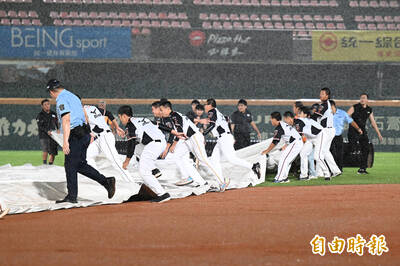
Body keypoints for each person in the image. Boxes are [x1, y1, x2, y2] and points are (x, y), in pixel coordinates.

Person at [46, 79, 116, 204]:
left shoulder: (61, 99)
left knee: (70, 165)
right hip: (84, 133)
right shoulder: (73, 96)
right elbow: (84, 115)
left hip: (75, 135)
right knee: (79, 164)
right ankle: (106, 181)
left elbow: (66, 120)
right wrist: (88, 132)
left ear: (52, 92)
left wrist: (65, 141)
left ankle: (72, 196)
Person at [118, 105, 184, 202]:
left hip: (154, 145)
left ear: (124, 116)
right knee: (137, 148)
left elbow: (130, 144)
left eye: (120, 117)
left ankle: (162, 194)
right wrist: (174, 132)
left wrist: (126, 162)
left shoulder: (130, 126)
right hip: (159, 142)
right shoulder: (141, 119)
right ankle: (154, 169)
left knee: (143, 170)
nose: (120, 120)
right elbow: (159, 125)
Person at [204, 99, 261, 185]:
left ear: (210, 105)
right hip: (222, 139)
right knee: (214, 160)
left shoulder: (212, 111)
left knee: (231, 159)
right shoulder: (217, 113)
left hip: (224, 138)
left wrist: (202, 134)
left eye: (206, 104)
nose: (204, 106)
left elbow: (212, 125)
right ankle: (221, 182)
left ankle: (253, 166)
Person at [160, 101, 216, 188]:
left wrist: (172, 145)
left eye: (161, 110)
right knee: (178, 157)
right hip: (186, 139)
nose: (161, 112)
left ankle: (220, 179)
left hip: (192, 137)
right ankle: (196, 180)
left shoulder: (174, 115)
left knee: (203, 160)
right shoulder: (168, 117)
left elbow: (179, 131)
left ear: (168, 109)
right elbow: (175, 132)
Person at [83, 102, 135, 182]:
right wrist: (117, 127)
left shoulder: (82, 110)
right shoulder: (91, 108)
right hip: (99, 138)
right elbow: (108, 113)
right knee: (87, 155)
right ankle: (98, 179)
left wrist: (116, 127)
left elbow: (85, 123)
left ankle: (131, 182)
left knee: (115, 161)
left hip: (104, 137)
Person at [261, 112, 303, 183]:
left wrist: (267, 151)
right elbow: (289, 136)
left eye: (271, 119)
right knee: (286, 160)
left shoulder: (280, 127)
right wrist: (286, 145)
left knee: (283, 159)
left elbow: (275, 142)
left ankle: (279, 178)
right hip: (295, 142)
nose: (270, 120)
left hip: (295, 143)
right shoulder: (282, 125)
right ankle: (284, 177)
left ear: (274, 119)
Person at [347, 93, 383, 174]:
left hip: (362, 131)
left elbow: (373, 122)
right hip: (353, 130)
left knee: (366, 148)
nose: (362, 99)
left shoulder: (369, 109)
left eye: (364, 98)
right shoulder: (355, 107)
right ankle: (340, 166)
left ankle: (362, 169)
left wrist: (379, 133)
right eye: (361, 98)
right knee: (352, 148)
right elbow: (346, 116)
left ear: (367, 100)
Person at [314, 88, 341, 180]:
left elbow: (316, 116)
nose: (320, 95)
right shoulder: (329, 103)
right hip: (331, 130)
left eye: (322, 93)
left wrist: (306, 117)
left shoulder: (324, 105)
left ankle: (326, 173)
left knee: (317, 155)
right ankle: (336, 170)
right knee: (325, 151)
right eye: (320, 93)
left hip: (324, 131)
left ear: (327, 96)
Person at [330, 100, 363, 171]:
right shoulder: (326, 114)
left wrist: (358, 129)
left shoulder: (342, 113)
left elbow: (351, 121)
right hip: (329, 136)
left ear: (332, 106)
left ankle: (339, 169)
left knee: (339, 153)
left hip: (338, 136)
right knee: (330, 153)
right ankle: (331, 169)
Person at [36, 99, 59, 165]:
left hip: (53, 135)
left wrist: (58, 129)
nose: (47, 106)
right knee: (45, 150)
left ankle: (50, 164)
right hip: (44, 135)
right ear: (42, 106)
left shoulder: (53, 114)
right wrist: (47, 131)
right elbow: (40, 126)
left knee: (53, 151)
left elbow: (57, 123)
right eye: (45, 105)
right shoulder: (40, 115)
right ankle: (44, 164)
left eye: (48, 104)